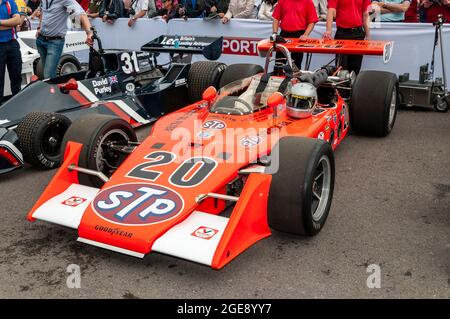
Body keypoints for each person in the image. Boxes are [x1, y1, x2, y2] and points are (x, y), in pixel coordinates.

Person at [37, 0, 93, 79]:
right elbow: (43, 11)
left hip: (55, 42)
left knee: (48, 76)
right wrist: (39, 27)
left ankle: (55, 90)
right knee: (47, 76)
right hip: (41, 40)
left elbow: (81, 13)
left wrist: (89, 33)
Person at [323, 0, 371, 75]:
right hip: (342, 34)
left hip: (358, 34)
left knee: (355, 67)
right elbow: (331, 10)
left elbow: (366, 14)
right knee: (341, 68)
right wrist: (328, 30)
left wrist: (368, 35)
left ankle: (354, 85)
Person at [272, 0, 318, 69]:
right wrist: (275, 33)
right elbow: (276, 18)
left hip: (299, 36)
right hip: (284, 35)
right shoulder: (282, 1)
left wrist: (305, 35)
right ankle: (278, 77)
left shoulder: (308, 2)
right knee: (279, 64)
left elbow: (312, 22)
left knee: (296, 65)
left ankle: (295, 79)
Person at [0, 0, 22, 102]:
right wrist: (10, 23)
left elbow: (17, 21)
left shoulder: (9, 2)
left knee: (16, 76)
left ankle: (17, 104)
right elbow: (14, 22)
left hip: (12, 43)